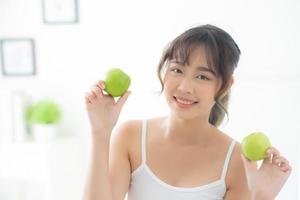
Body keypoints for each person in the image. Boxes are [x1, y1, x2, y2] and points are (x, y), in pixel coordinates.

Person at [83, 24, 292, 200]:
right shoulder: (130, 136)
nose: (184, 87)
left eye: (202, 77)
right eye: (177, 70)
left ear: (225, 85)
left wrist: (262, 196)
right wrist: (100, 133)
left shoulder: (237, 160)